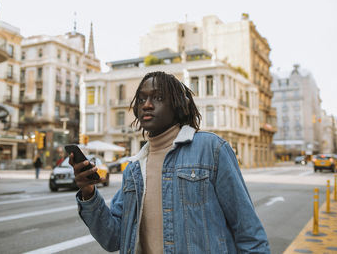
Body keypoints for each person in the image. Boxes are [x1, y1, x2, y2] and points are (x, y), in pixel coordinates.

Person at [71, 71, 270, 253]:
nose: (147, 104)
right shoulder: (134, 168)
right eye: (141, 99)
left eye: (158, 98)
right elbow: (112, 239)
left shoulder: (211, 149)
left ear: (178, 106)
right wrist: (88, 192)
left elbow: (248, 232)